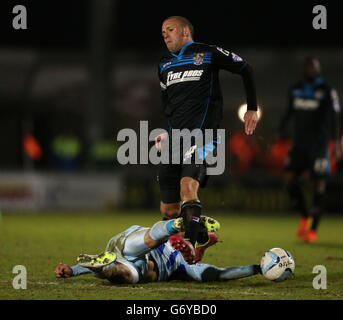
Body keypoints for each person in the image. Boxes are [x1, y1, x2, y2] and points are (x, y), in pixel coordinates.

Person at [155, 16, 259, 262]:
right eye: (162, 32)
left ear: (185, 31)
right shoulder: (164, 64)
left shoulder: (208, 53)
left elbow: (246, 68)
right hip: (174, 140)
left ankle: (191, 250)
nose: (165, 35)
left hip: (204, 137)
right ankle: (198, 237)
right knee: (168, 209)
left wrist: (252, 107)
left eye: (170, 30)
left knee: (187, 188)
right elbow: (168, 104)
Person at [54, 217, 261, 284]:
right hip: (131, 244)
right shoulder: (172, 242)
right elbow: (155, 235)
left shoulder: (188, 267)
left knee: (130, 275)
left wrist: (257, 268)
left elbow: (220, 274)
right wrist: (181, 228)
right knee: (153, 240)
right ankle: (179, 222)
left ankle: (102, 268)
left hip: (131, 264)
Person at [278, 56, 341, 243]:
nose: (311, 69)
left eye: (314, 66)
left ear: (318, 68)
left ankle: (313, 230)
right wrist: (280, 131)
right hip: (299, 145)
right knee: (289, 179)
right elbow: (288, 113)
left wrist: (336, 144)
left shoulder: (327, 91)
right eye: (308, 66)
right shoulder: (295, 89)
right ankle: (305, 214)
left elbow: (335, 119)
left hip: (319, 147)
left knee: (319, 184)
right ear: (304, 68)